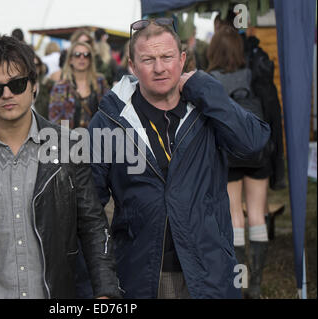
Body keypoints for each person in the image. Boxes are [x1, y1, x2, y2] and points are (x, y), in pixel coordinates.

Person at [87, 19, 270, 298]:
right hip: (143, 275)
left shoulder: (205, 107)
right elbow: (87, 207)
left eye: (167, 57)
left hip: (211, 270)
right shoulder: (110, 120)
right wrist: (99, 281)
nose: (159, 68)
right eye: (148, 59)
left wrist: (207, 88)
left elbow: (254, 145)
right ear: (133, 67)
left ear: (182, 60)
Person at [0, 35, 122, 299]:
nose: (7, 94)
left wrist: (106, 292)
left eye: (17, 84)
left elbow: (93, 225)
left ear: (34, 85)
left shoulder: (68, 147)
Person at [207, 26, 282, 299]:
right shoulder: (252, 75)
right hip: (257, 153)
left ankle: (241, 282)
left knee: (234, 216)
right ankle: (258, 284)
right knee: (257, 215)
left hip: (229, 155)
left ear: (213, 50)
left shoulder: (211, 79)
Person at [48, 41, 109, 129]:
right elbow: (55, 119)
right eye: (77, 54)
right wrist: (67, 138)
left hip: (97, 138)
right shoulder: (61, 87)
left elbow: (108, 111)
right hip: (70, 138)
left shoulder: (100, 82)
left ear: (90, 60)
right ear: (70, 60)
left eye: (86, 55)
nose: (82, 58)